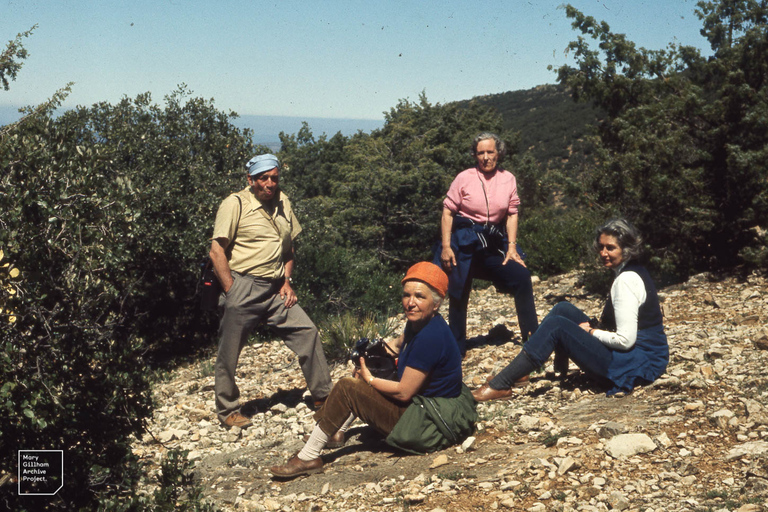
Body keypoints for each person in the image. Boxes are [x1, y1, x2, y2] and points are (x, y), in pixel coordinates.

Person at [269, 262, 477, 479]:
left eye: (419, 297)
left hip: (429, 424)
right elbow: (397, 345)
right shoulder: (420, 323)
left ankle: (308, 456)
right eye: (406, 295)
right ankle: (336, 432)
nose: (411, 303)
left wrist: (368, 379)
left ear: (436, 303)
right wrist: (371, 356)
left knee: (348, 387)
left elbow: (404, 392)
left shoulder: (430, 337)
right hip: (431, 408)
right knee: (362, 374)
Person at [473, 219, 669, 401]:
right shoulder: (630, 270)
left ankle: (502, 384)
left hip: (638, 363)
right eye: (601, 247)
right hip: (642, 355)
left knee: (557, 325)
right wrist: (594, 327)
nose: (603, 253)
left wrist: (591, 332)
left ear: (626, 250)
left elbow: (626, 341)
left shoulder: (626, 280)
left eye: (611, 248)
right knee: (563, 309)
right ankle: (522, 370)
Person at [209, 153, 332, 429]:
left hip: (276, 288)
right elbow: (216, 251)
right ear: (250, 179)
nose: (269, 183)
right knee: (229, 351)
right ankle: (228, 411)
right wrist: (232, 289)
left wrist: (286, 280)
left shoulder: (283, 202)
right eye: (263, 178)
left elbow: (288, 250)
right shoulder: (235, 204)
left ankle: (324, 397)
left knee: (307, 332)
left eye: (274, 178)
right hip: (244, 284)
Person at [434, 132, 538, 355]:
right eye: (480, 153)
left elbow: (512, 213)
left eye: (490, 152)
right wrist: (446, 247)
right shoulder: (464, 178)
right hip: (465, 242)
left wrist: (511, 247)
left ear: (498, 153)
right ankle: (456, 348)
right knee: (458, 289)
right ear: (474, 155)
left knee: (521, 277)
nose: (486, 157)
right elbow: (447, 212)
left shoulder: (508, 178)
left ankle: (534, 341)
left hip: (493, 243)